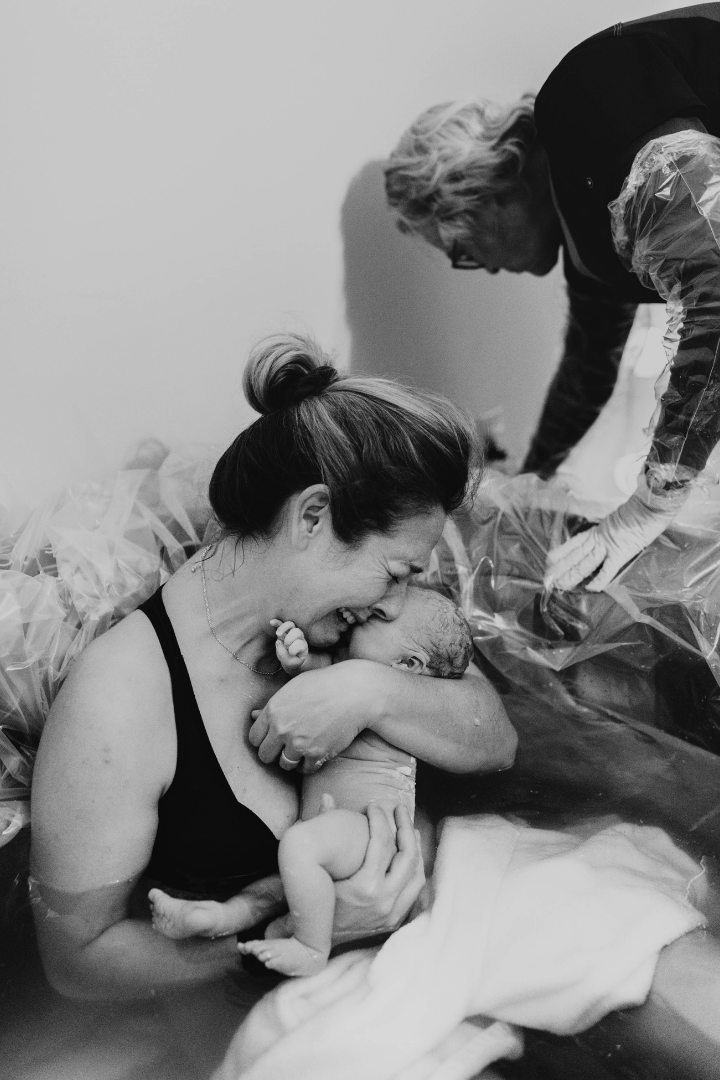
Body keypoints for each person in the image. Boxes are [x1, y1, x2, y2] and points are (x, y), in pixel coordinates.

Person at [29, 332, 516, 1001]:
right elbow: (75, 963)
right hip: (250, 1005)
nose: (399, 601)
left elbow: (496, 741)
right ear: (313, 516)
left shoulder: (355, 627)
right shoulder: (120, 700)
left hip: (425, 949)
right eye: (395, 573)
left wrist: (369, 689)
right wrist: (305, 935)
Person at [384, 5, 720, 594]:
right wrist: (524, 479)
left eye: (460, 248)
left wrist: (649, 503)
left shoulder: (584, 100)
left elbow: (716, 292)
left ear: (486, 183)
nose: (481, 269)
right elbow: (588, 370)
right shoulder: (591, 232)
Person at [148, 585, 474, 977]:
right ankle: (218, 917)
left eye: (381, 618)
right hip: (341, 830)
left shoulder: (402, 707)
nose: (369, 610)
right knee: (280, 886)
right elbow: (319, 681)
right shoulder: (347, 673)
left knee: (299, 848)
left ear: (408, 665)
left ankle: (311, 948)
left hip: (370, 832)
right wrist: (298, 659)